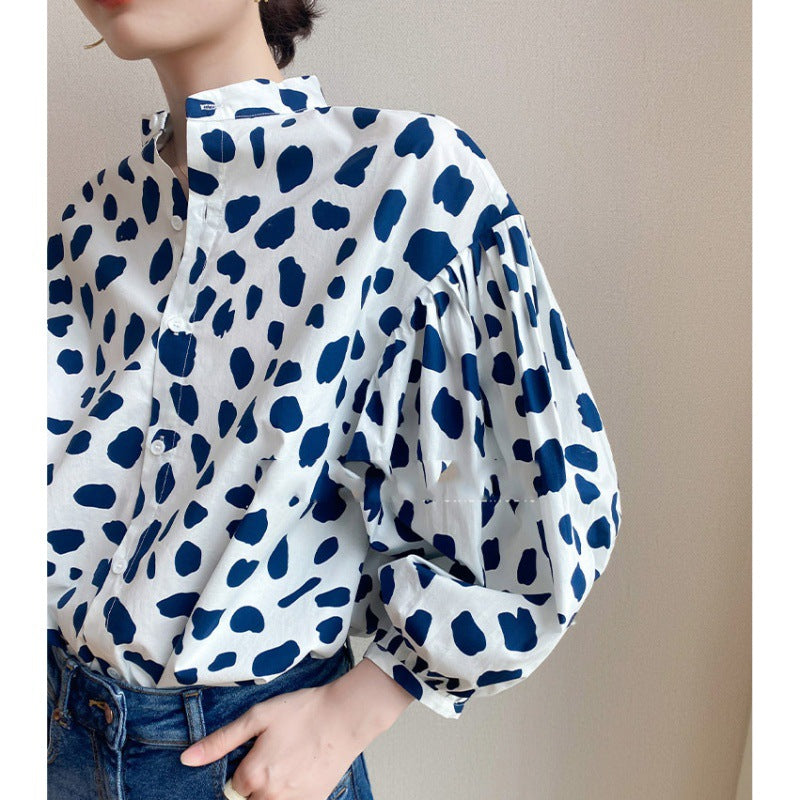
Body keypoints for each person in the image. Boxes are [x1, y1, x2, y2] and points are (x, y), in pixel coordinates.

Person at [47, 1, 624, 799]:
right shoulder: (93, 219)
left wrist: (351, 715)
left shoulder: (409, 179)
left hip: (233, 755)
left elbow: (545, 508)